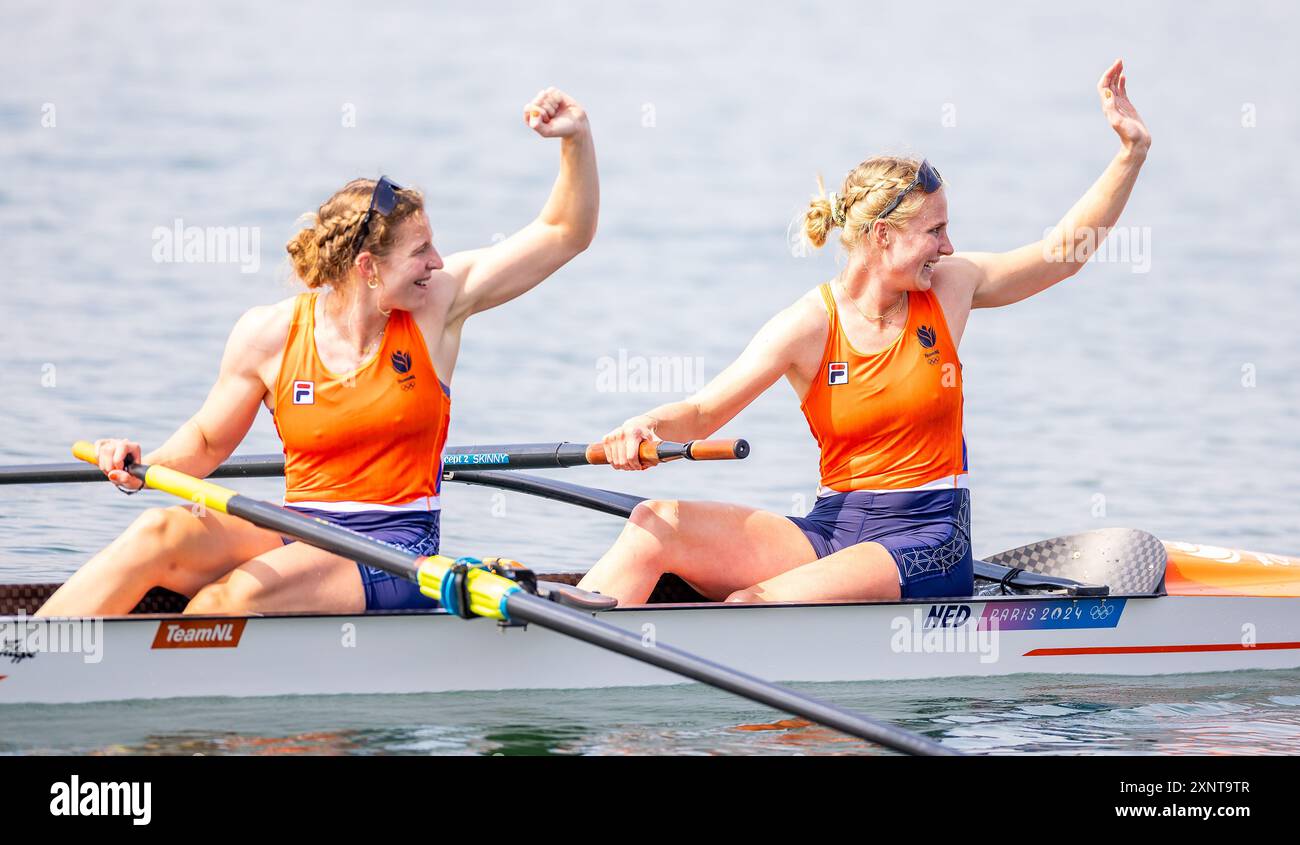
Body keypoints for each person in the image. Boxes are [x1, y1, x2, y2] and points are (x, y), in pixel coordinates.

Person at [578, 60, 1150, 604]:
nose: (948, 246)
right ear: (882, 236)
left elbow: (1060, 256)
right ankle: (559, 640)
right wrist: (642, 427)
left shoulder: (951, 288)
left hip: (929, 536)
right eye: (936, 230)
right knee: (654, 524)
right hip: (834, 527)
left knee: (756, 603)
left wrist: (1130, 153)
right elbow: (702, 415)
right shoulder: (808, 324)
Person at [38, 87, 598, 617]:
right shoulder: (268, 334)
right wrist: (140, 467)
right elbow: (207, 440)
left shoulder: (438, 307)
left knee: (226, 603)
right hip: (299, 526)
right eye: (421, 250)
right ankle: (25, 663)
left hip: (395, 549)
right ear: (367, 269)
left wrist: (575, 140)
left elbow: (563, 231)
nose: (437, 261)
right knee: (155, 533)